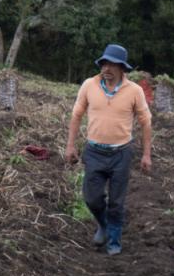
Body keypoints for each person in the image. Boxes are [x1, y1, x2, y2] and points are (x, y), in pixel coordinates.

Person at [65, 44, 152, 255]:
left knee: (116, 201)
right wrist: (70, 145)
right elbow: (76, 115)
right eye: (104, 63)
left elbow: (145, 121)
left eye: (112, 64)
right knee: (91, 197)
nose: (107, 68)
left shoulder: (134, 91)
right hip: (94, 151)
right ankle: (103, 225)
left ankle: (114, 239)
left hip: (121, 153)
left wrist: (146, 154)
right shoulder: (89, 85)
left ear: (122, 68)